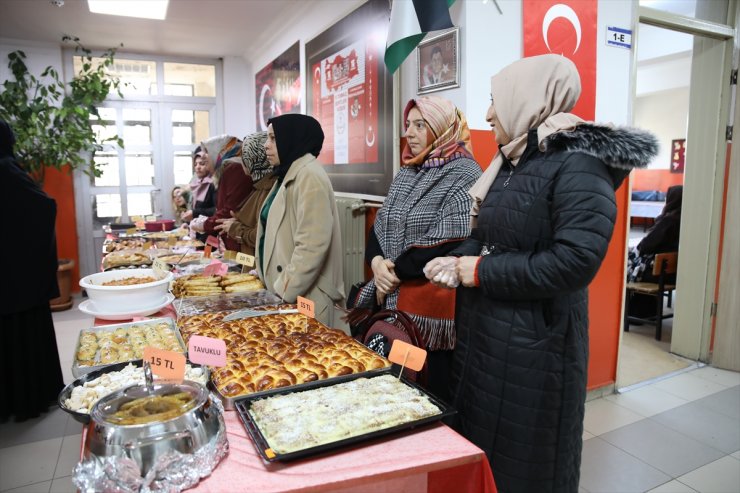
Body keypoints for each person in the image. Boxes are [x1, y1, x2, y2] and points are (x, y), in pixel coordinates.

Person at [424, 54, 658, 492]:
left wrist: (478, 271)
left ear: (526, 99)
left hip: (536, 350)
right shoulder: (514, 159)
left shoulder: (579, 162)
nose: (490, 113)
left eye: (495, 101)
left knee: (527, 468)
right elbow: (493, 235)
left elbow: (574, 262)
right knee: (486, 460)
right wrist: (457, 260)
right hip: (486, 341)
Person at [352, 96, 481, 400]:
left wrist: (390, 274)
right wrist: (377, 264)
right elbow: (380, 225)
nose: (409, 133)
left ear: (441, 128)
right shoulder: (407, 171)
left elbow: (447, 240)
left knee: (425, 390)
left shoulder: (466, 173)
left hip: (429, 306)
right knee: (391, 386)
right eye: (408, 124)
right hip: (393, 296)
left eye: (420, 125)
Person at [0, 120, 65, 422]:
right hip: (20, 279)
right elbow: (42, 207)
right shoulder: (8, 170)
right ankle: (31, 397)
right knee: (24, 337)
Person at [256, 114, 346, 330]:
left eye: (273, 139)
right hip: (287, 292)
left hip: (304, 295)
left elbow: (311, 246)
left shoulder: (309, 175)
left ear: (291, 138)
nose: (266, 146)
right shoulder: (288, 173)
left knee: (307, 359)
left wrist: (283, 289)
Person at [214, 131, 278, 256]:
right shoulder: (260, 187)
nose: (240, 160)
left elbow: (262, 235)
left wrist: (235, 228)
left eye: (244, 155)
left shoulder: (268, 190)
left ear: (252, 158)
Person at [626, 185, 682, 317]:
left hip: (658, 274)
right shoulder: (686, 221)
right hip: (673, 273)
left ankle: (633, 312)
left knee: (626, 267)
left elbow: (645, 245)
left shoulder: (668, 221)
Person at [190, 135, 253, 251]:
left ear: (219, 150)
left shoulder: (234, 168)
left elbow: (230, 210)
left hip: (238, 238)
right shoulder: (226, 169)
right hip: (230, 236)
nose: (203, 156)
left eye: (207, 151)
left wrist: (204, 224)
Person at [182, 146, 216, 241]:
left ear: (209, 164)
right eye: (195, 164)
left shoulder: (213, 183)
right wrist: (188, 225)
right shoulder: (196, 183)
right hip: (197, 233)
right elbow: (195, 208)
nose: (198, 167)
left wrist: (194, 213)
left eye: (202, 164)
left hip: (210, 234)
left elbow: (215, 210)